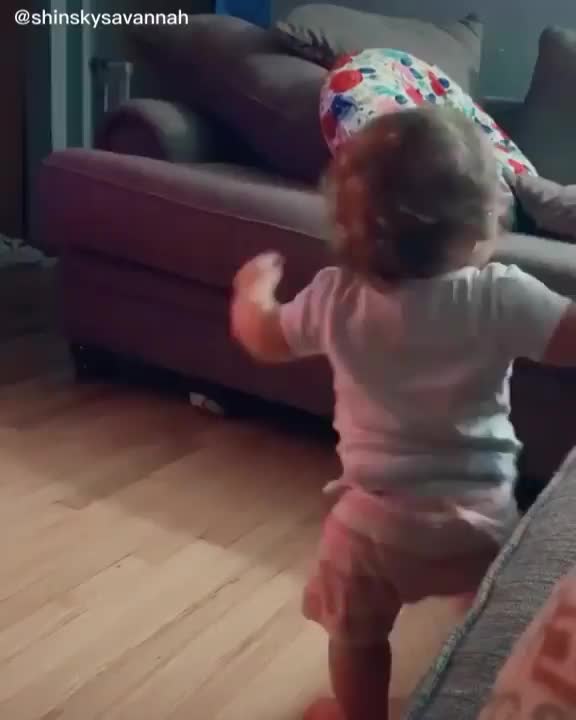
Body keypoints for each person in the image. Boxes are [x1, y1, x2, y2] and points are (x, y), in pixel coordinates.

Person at [229, 106, 576, 720]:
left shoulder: (334, 296)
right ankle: (478, 694)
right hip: (480, 517)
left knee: (357, 636)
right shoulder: (499, 295)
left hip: (372, 528)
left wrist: (251, 293)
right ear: (481, 224)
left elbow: (263, 338)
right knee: (490, 622)